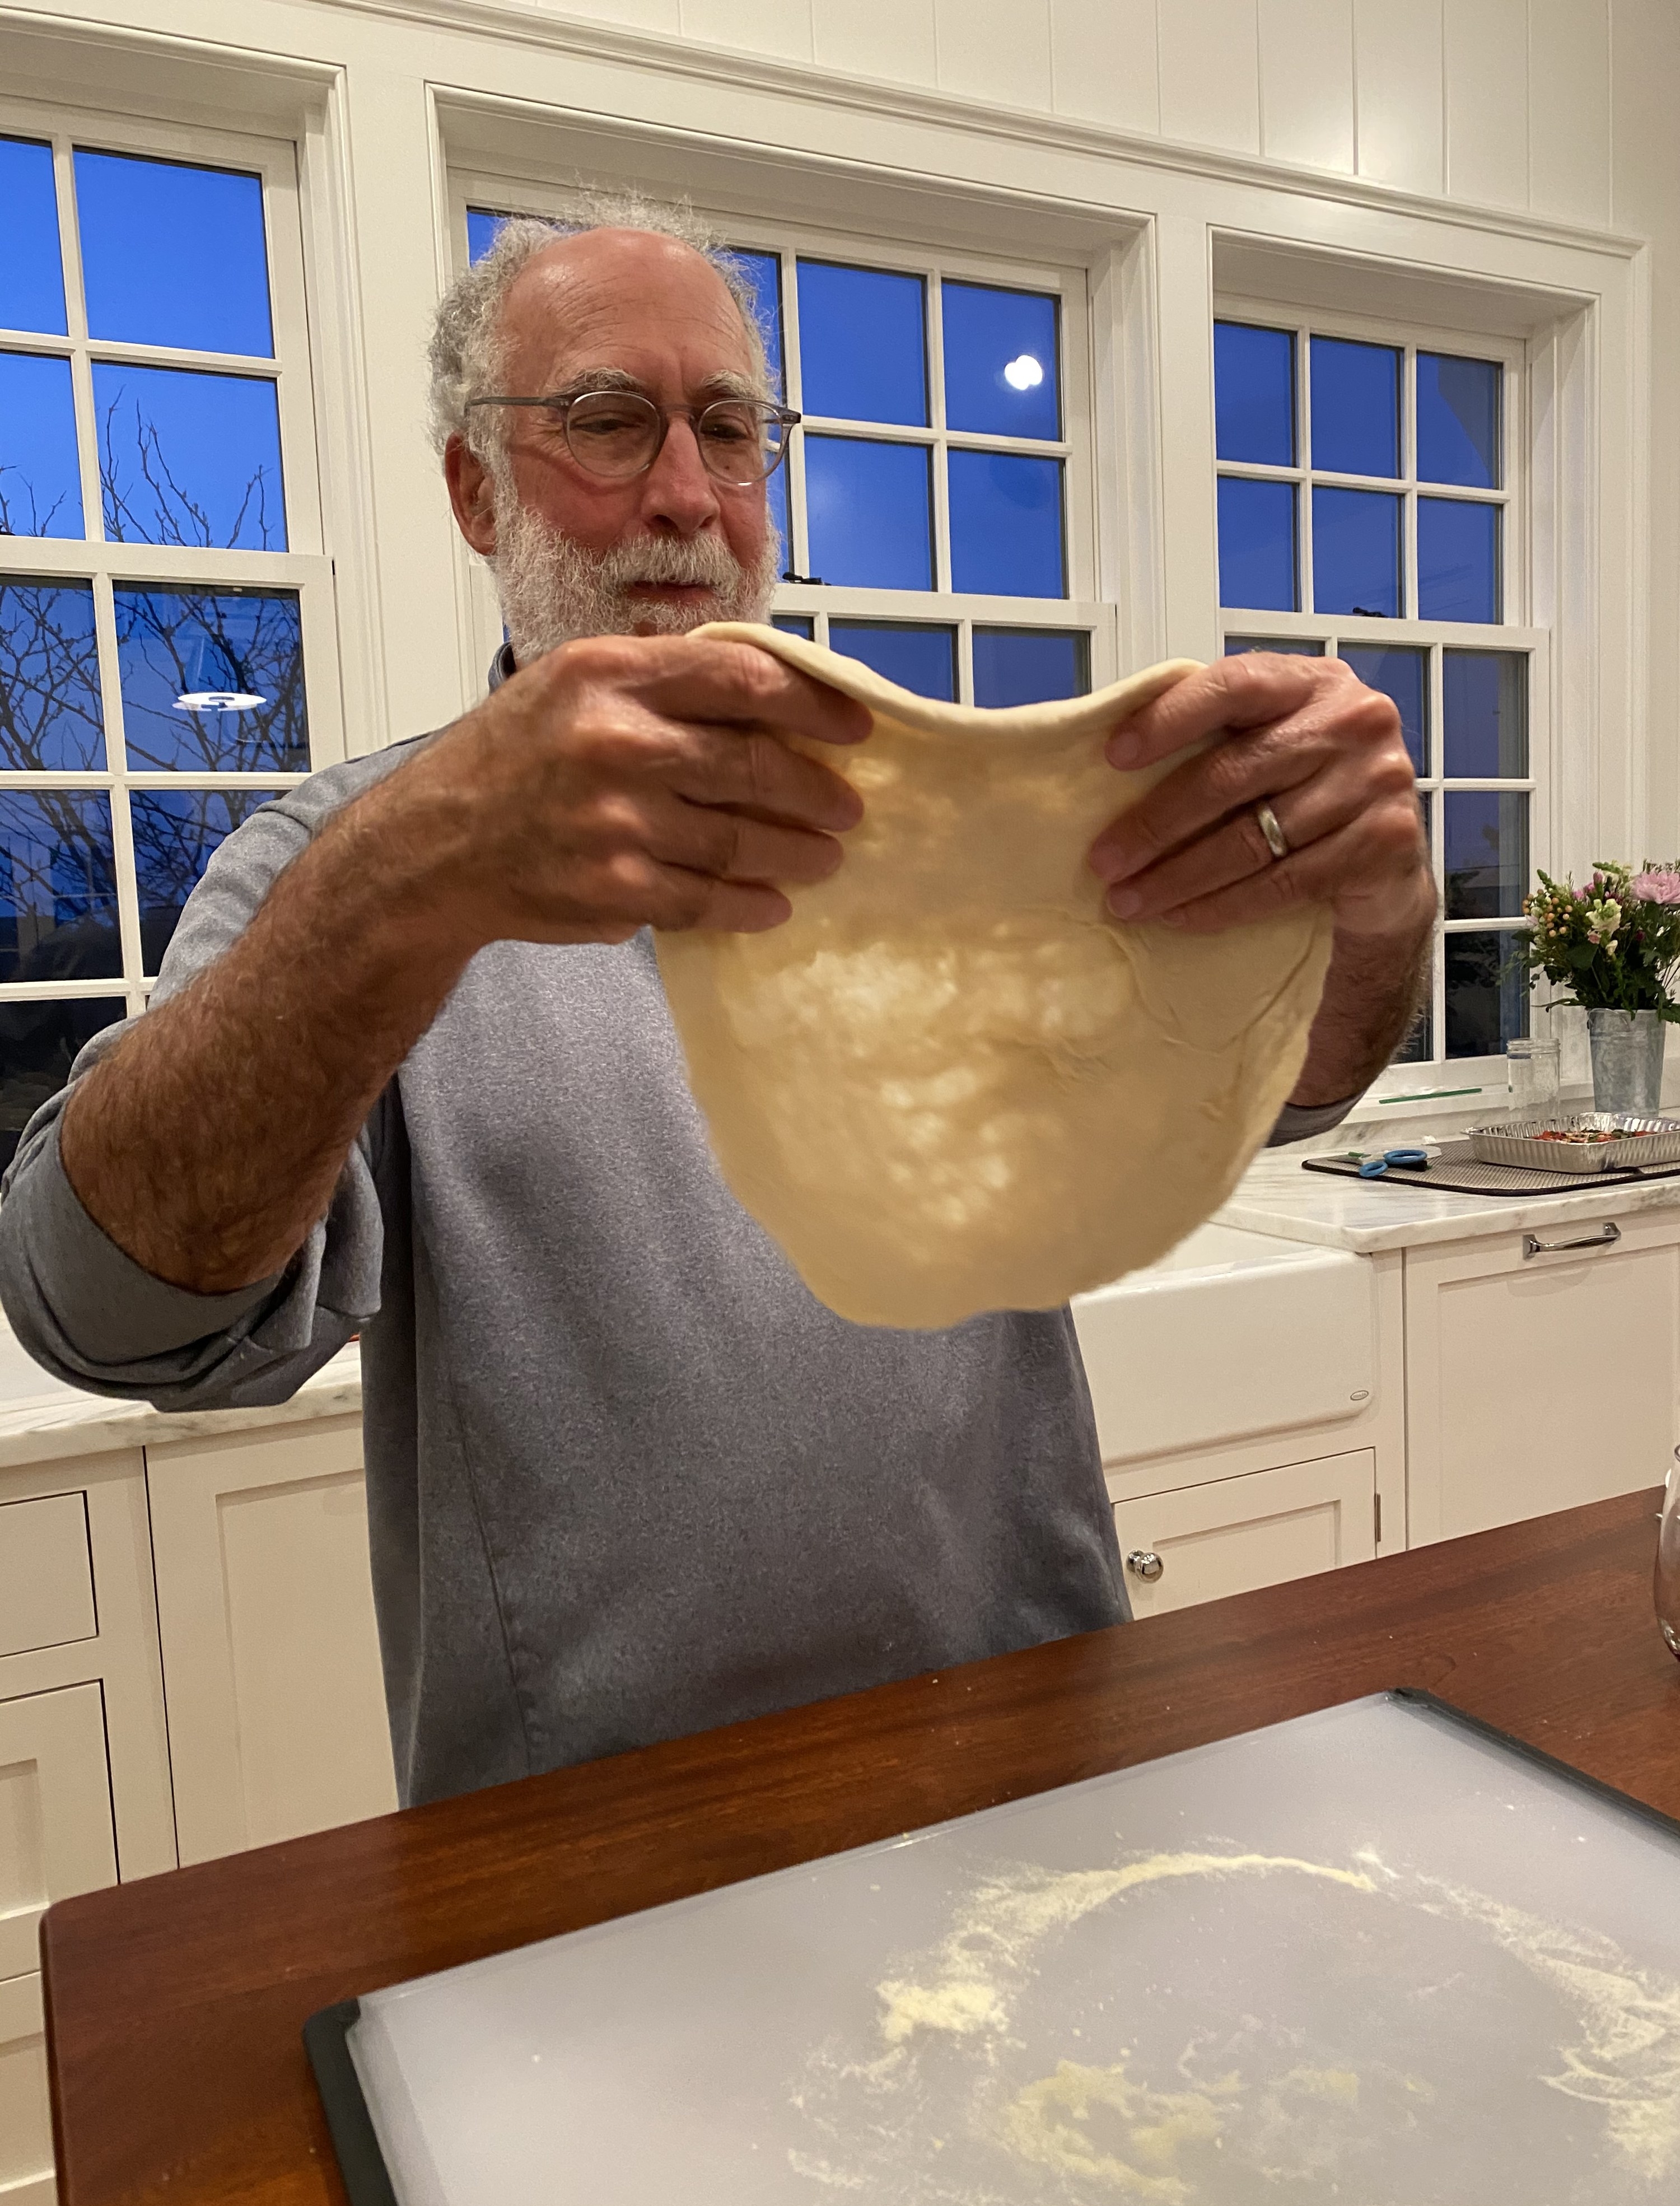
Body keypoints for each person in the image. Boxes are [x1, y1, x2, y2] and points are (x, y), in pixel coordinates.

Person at [0, 203, 1435, 1807]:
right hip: (600, 1860)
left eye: (730, 429)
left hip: (1037, 1768)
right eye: (607, 423)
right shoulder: (352, 859)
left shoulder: (962, 807)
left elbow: (1279, 1084)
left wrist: (1377, 909)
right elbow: (105, 1314)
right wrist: (402, 886)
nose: (685, 497)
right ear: (477, 490)